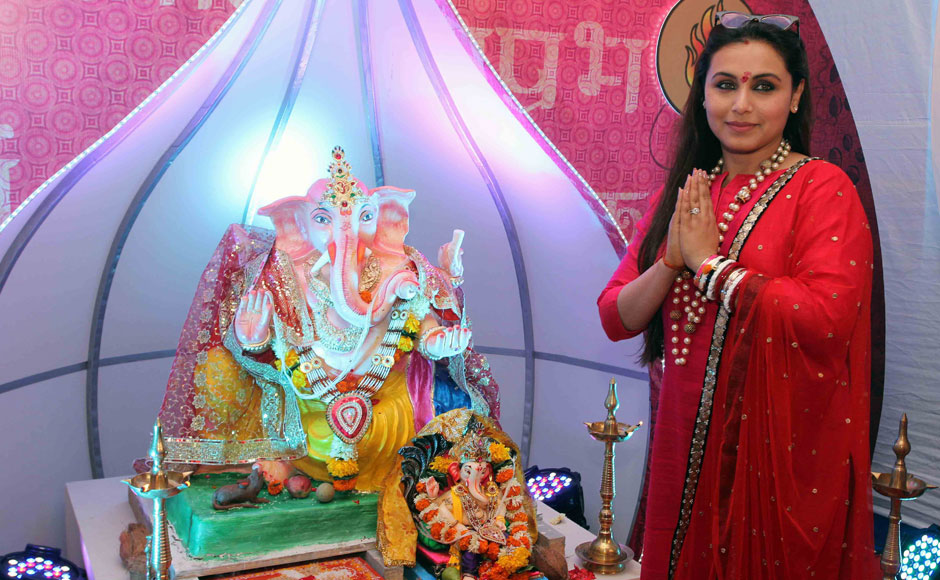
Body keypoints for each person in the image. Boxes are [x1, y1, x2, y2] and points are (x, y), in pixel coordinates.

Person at [597, 12, 877, 579]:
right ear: (701, 97)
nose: (741, 105)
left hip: (775, 463)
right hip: (683, 445)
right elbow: (616, 315)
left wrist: (708, 265)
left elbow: (825, 319)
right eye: (725, 85)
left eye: (764, 86)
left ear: (796, 97)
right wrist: (673, 261)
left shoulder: (822, 189)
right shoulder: (690, 192)